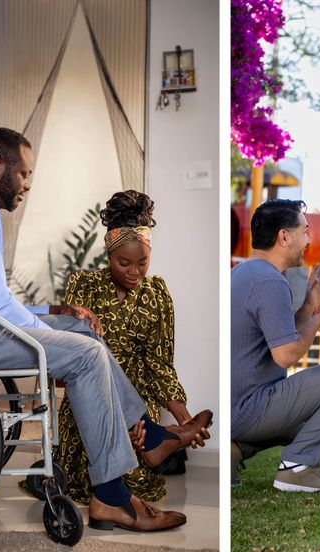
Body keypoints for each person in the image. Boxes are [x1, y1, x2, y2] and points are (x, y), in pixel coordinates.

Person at [0, 127, 211, 532]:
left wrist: (55, 311)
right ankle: (113, 495)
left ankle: (146, 438)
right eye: (23, 173)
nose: (27, 184)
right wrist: (43, 324)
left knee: (80, 325)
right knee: (86, 352)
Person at [47, 190, 208, 504]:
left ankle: (158, 438)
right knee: (95, 467)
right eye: (124, 263)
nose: (135, 272)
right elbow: (72, 356)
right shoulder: (84, 285)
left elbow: (160, 365)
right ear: (109, 255)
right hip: (89, 394)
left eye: (143, 262)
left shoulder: (157, 293)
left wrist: (185, 423)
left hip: (139, 398)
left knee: (134, 474)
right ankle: (154, 439)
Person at [230, 199, 320, 492]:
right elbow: (286, 355)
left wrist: (308, 307)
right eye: (305, 231)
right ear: (284, 236)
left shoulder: (243, 272)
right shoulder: (270, 281)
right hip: (249, 409)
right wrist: (318, 322)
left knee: (313, 402)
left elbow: (276, 335)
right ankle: (298, 467)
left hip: (234, 410)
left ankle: (234, 451)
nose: (309, 240)